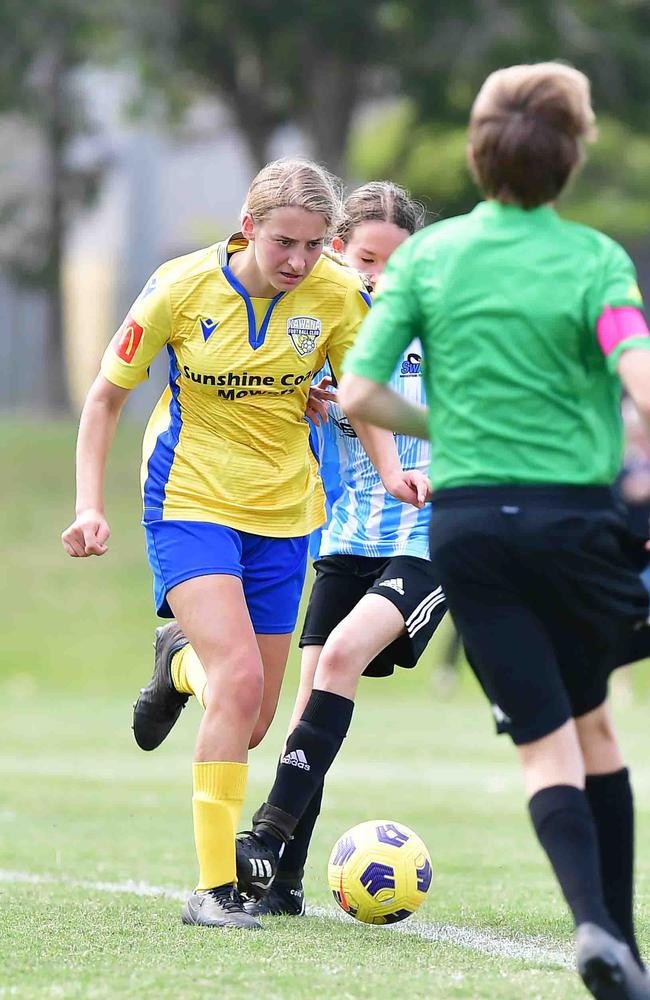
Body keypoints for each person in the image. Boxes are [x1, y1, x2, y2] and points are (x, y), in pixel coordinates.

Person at [339, 64, 650, 999]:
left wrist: (454, 432)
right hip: (574, 520)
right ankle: (613, 935)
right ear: (574, 159)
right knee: (596, 722)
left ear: (477, 157)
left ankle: (603, 932)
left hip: (468, 530)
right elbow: (639, 377)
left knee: (553, 738)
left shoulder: (429, 262)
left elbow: (359, 392)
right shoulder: (597, 261)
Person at [61, 157, 377, 931]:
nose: (300, 262)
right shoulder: (179, 287)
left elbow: (362, 396)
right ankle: (214, 891)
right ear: (247, 227)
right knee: (237, 685)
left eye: (314, 245)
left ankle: (178, 661)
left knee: (255, 715)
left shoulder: (336, 295)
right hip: (188, 499)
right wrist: (87, 506)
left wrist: (399, 467)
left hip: (285, 512)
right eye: (284, 244)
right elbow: (105, 398)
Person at [237, 182, 447, 916]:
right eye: (365, 258)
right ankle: (282, 883)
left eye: (397, 262)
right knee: (308, 709)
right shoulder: (316, 334)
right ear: (336, 252)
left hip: (427, 538)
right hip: (343, 541)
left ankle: (264, 830)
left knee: (339, 656)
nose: (379, 277)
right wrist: (304, 402)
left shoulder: (441, 335)